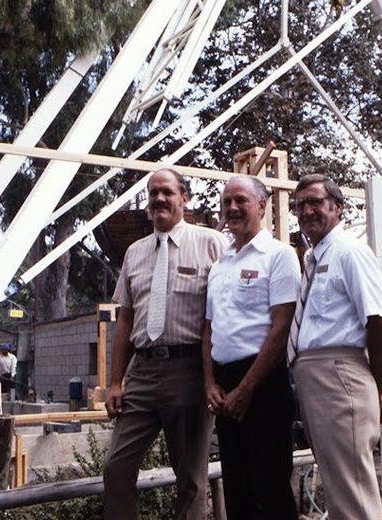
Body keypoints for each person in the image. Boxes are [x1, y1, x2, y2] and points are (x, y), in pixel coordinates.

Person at [103, 168, 227, 520]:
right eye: (152, 193)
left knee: (191, 478)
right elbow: (125, 319)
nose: (159, 199)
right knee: (116, 466)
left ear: (184, 198)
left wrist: (212, 378)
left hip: (189, 371)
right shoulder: (135, 253)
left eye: (167, 192)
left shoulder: (211, 244)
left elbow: (224, 312)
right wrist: (116, 382)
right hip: (141, 372)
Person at [288, 173, 382, 519]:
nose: (307, 211)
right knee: (341, 491)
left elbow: (381, 329)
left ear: (337, 208)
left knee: (352, 497)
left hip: (339, 377)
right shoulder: (313, 258)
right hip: (316, 379)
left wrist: (375, 391)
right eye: (300, 205)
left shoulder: (349, 253)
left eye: (316, 202)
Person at [203, 176, 301, 520]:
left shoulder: (279, 256)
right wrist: (210, 384)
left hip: (265, 381)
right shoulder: (220, 265)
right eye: (227, 201)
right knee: (237, 489)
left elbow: (282, 324)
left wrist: (247, 388)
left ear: (262, 205)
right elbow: (209, 329)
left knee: (271, 489)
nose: (232, 208)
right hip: (225, 384)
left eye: (241, 200)